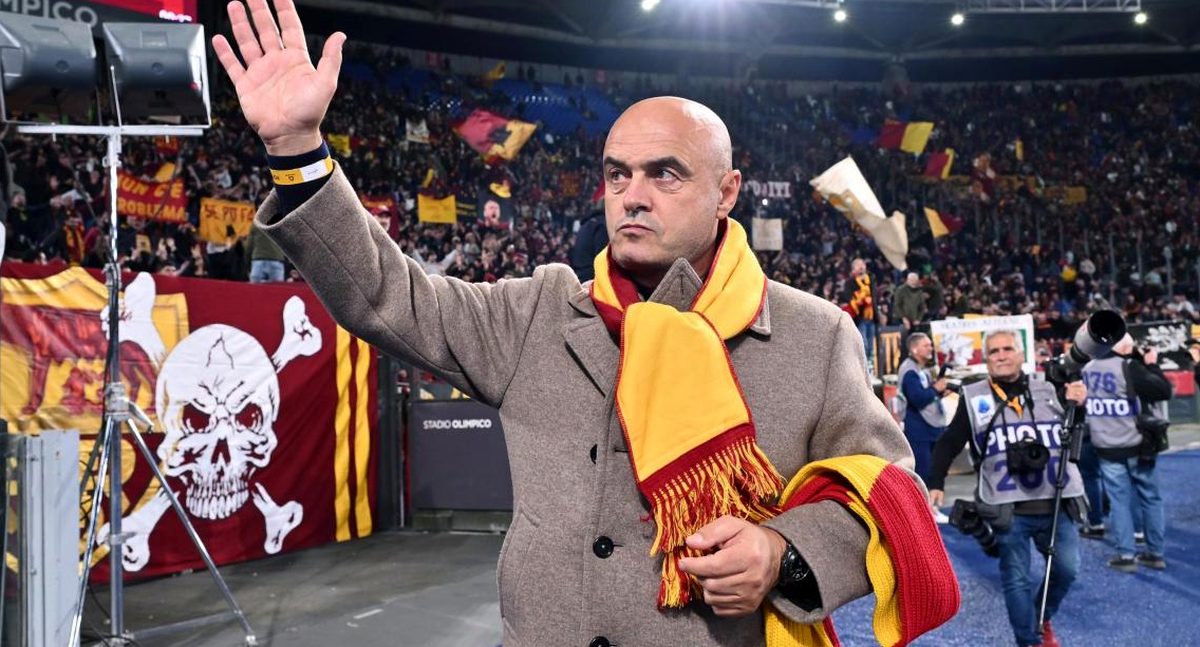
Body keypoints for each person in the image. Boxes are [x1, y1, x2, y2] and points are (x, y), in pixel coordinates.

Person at [213, 2, 957, 644]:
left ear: (727, 191)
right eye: (616, 173)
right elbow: (386, 296)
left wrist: (782, 554)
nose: (632, 195)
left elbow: (890, 492)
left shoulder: (812, 334)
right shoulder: (538, 311)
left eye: (665, 173)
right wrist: (297, 151)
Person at [928, 330, 1087, 647]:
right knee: (1016, 579)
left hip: (1056, 499)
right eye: (994, 351)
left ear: (1021, 354)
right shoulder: (974, 396)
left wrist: (1079, 406)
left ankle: (1041, 617)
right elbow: (949, 442)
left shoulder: (1050, 387)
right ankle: (1029, 641)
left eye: (1007, 349)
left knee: (1067, 570)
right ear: (986, 360)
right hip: (1007, 506)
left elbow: (1078, 432)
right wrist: (936, 482)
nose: (1001, 355)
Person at [1080, 334, 1172, 572]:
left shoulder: (1087, 369)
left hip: (1105, 444)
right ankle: (1155, 553)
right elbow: (1163, 390)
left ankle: (1126, 554)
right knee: (1150, 498)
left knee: (1118, 501)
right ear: (1126, 348)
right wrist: (1151, 364)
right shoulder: (1128, 366)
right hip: (1136, 444)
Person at [897, 333, 947, 484]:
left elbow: (925, 393)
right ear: (914, 349)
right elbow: (917, 399)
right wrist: (936, 389)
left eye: (930, 345)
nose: (930, 348)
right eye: (926, 345)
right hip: (919, 431)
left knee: (931, 475)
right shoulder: (910, 371)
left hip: (928, 429)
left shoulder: (919, 369)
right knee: (923, 477)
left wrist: (939, 392)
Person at [842, 257, 877, 372]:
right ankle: (862, 370)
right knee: (863, 345)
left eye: (863, 264)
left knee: (870, 346)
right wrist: (861, 298)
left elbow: (874, 299)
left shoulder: (870, 280)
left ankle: (870, 370)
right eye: (858, 265)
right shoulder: (849, 282)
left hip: (871, 317)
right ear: (853, 269)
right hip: (859, 318)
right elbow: (849, 299)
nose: (861, 266)